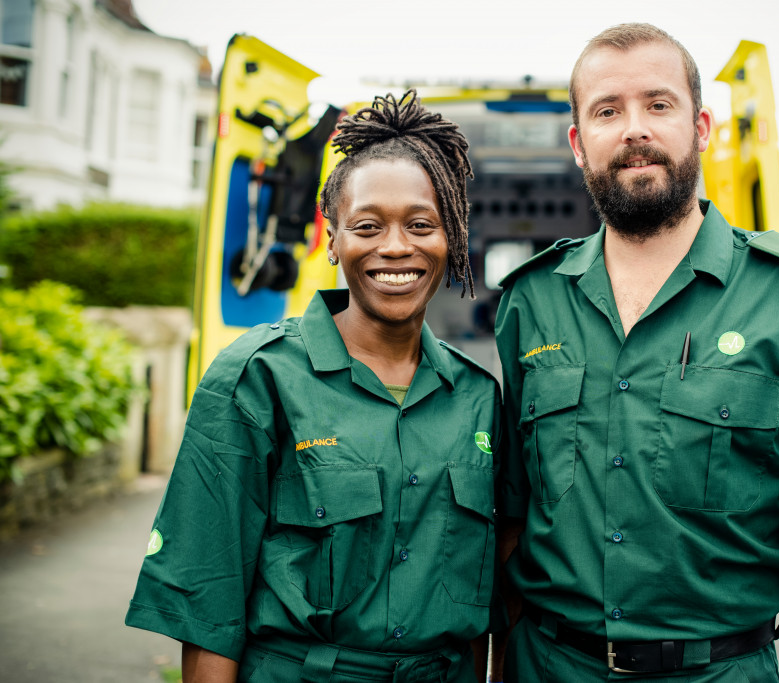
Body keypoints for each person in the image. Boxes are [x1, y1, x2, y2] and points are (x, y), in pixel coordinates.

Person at [493, 23, 779, 683]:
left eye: (659, 104)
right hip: (547, 666)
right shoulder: (530, 301)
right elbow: (513, 515)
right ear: (577, 143)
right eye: (606, 110)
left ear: (702, 125)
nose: (634, 129)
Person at [126, 90, 501, 683]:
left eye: (421, 224)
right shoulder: (258, 376)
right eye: (368, 226)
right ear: (332, 239)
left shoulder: (479, 397)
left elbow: (494, 607)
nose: (396, 247)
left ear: (450, 236)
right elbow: (208, 603)